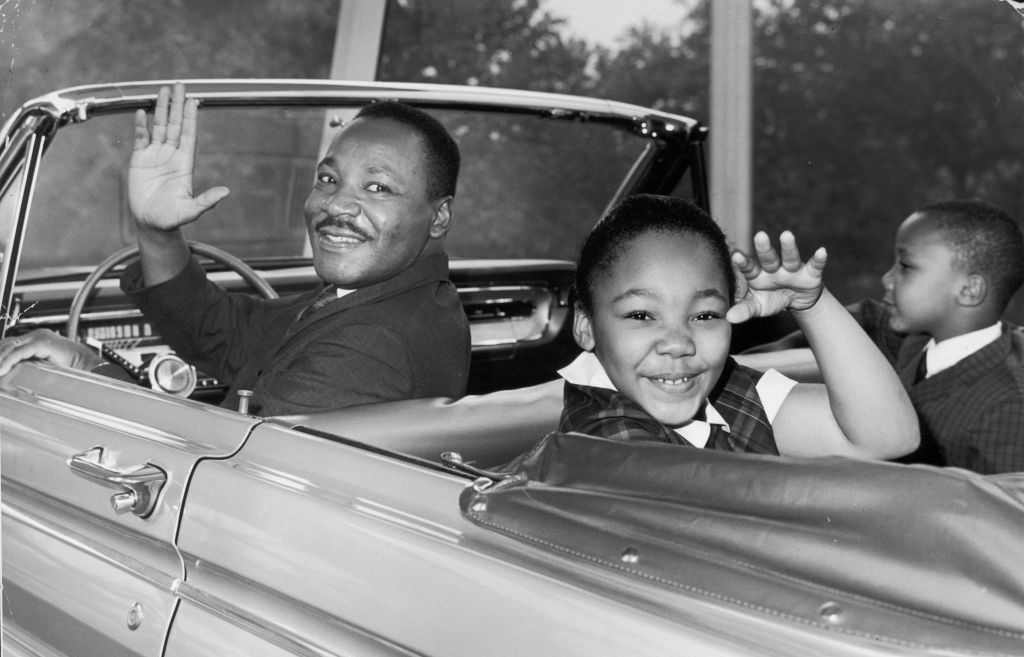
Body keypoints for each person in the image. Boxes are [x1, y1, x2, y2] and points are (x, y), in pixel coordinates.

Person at [0, 83, 470, 415]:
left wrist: (87, 364)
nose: (338, 205)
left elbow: (208, 465)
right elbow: (223, 333)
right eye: (328, 179)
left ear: (439, 216)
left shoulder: (373, 345)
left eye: (379, 187)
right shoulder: (380, 300)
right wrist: (157, 231)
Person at [558, 194, 919, 459]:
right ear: (586, 326)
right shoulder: (605, 443)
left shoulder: (725, 390)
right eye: (641, 316)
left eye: (704, 316)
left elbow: (889, 437)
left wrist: (812, 306)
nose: (678, 343)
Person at [744, 199, 1024, 473]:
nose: (887, 279)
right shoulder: (913, 339)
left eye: (905, 266)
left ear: (968, 290)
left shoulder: (1007, 408)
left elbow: (1003, 511)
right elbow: (860, 323)